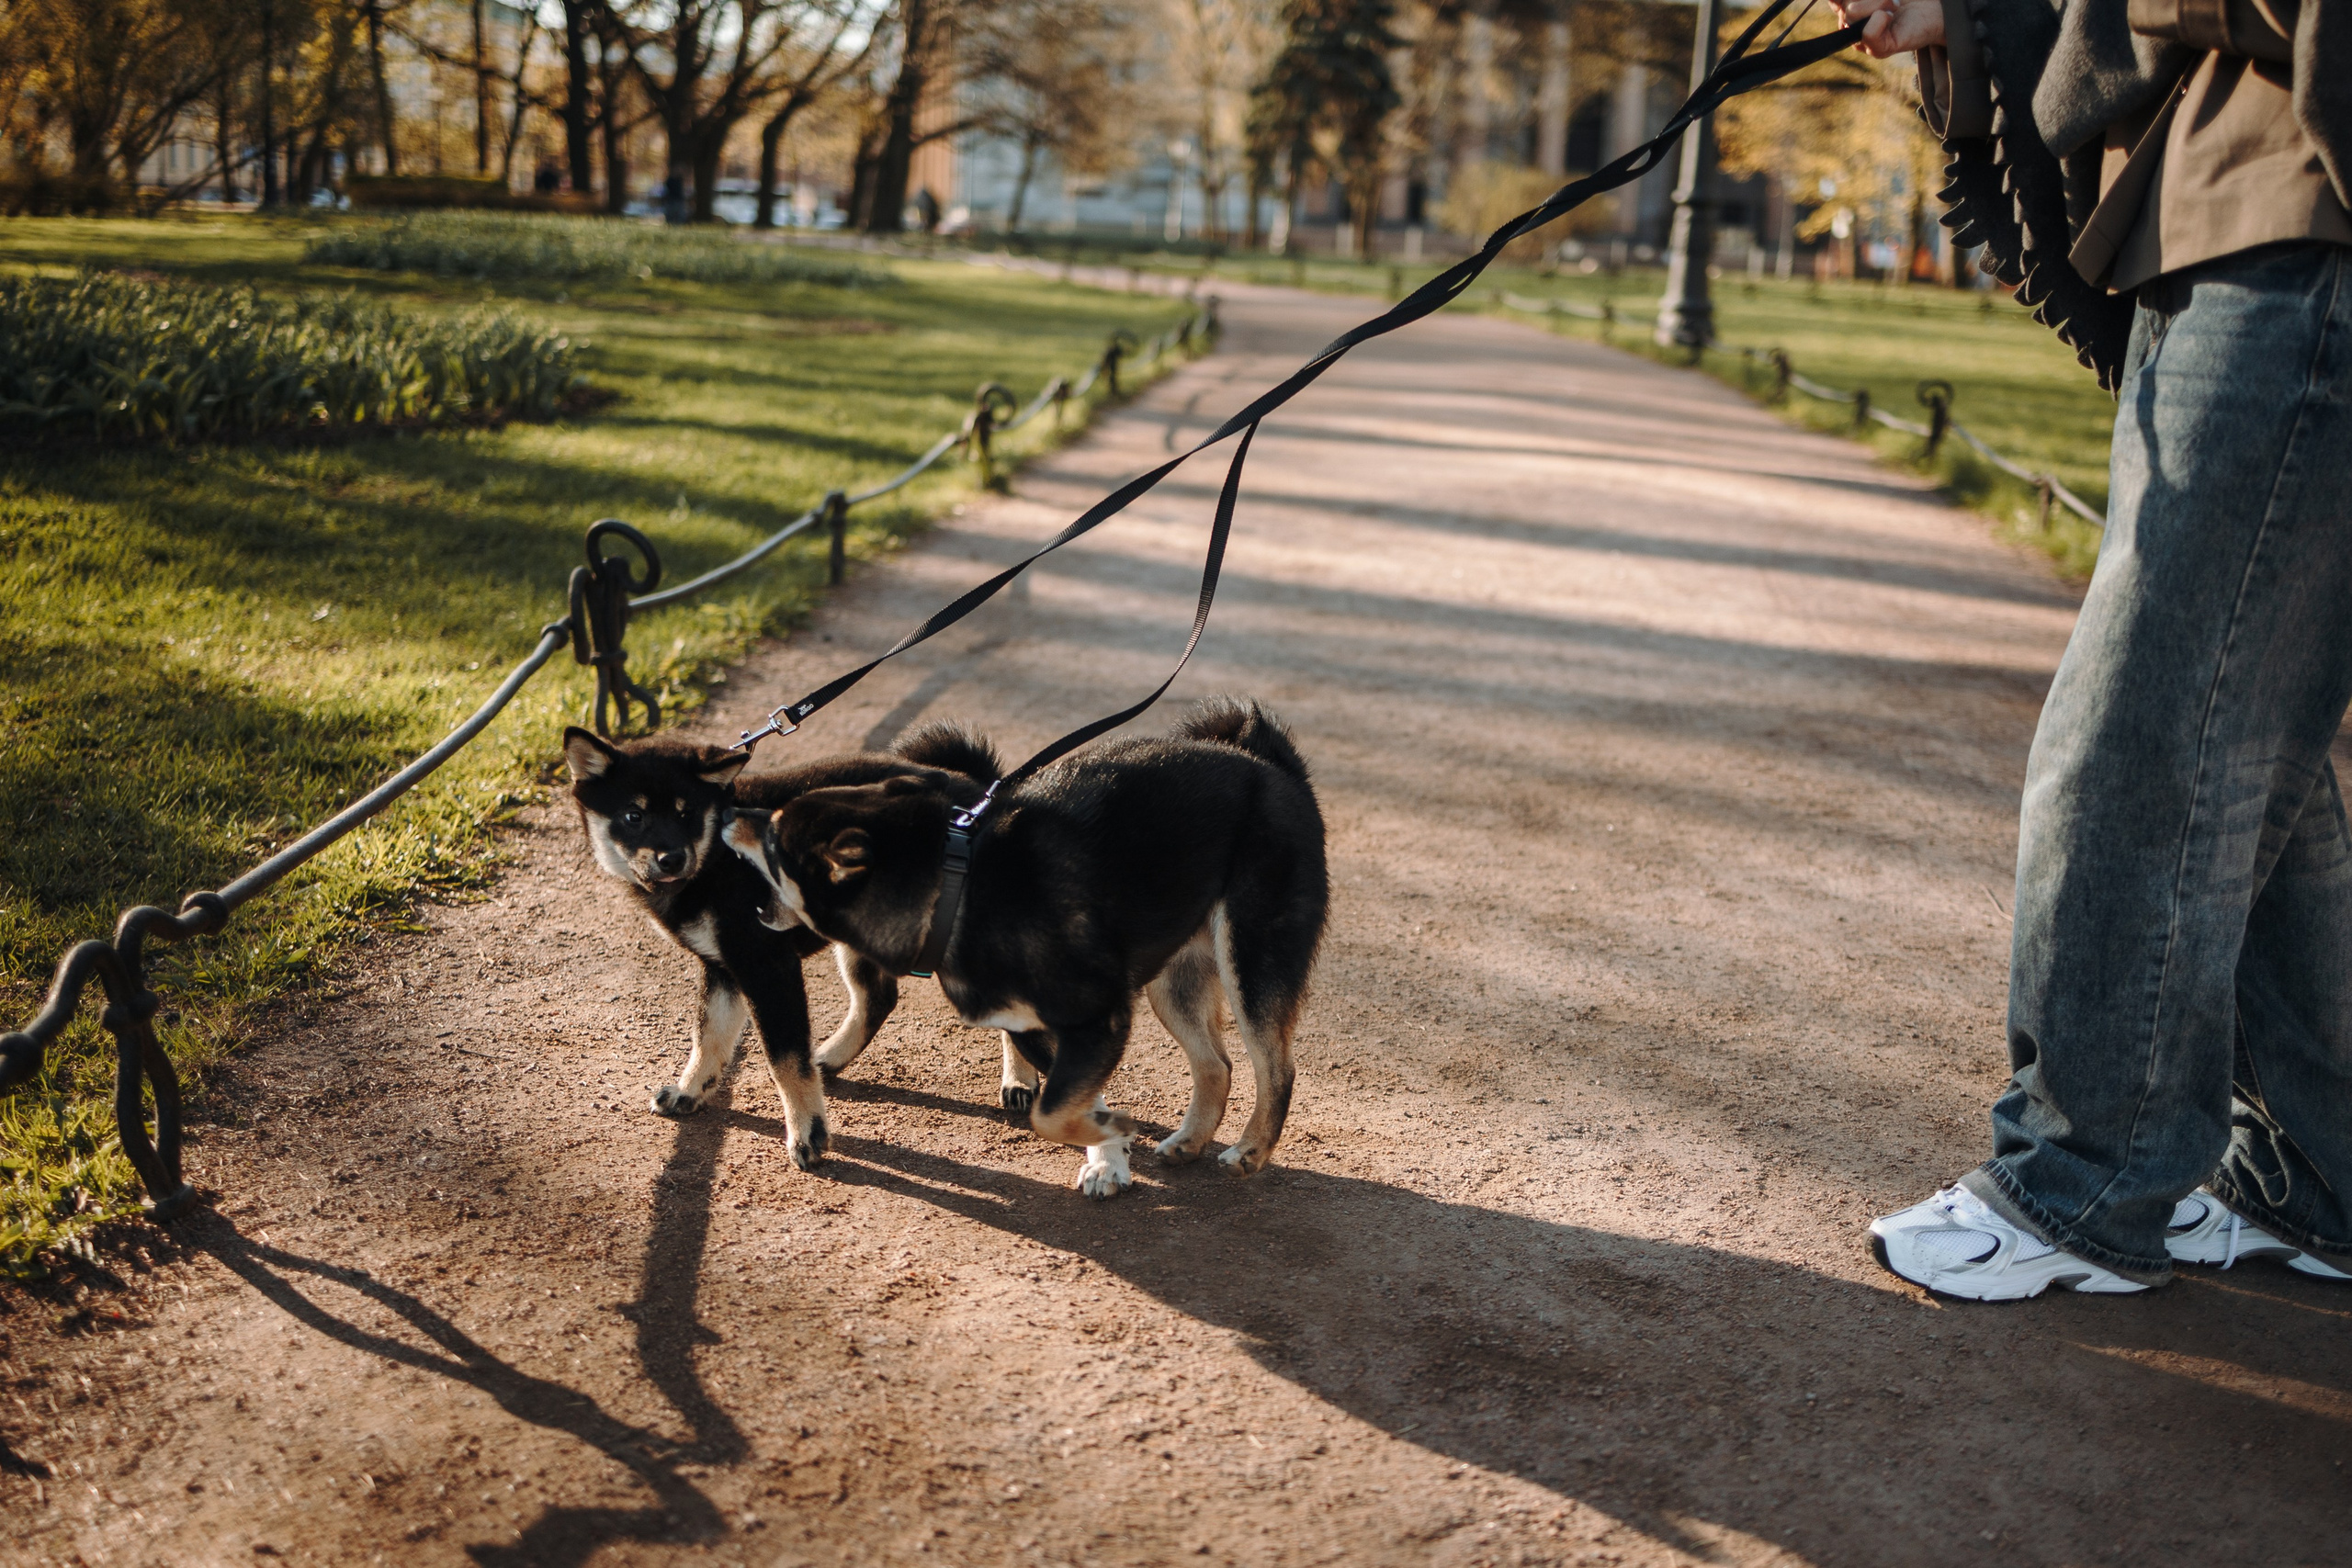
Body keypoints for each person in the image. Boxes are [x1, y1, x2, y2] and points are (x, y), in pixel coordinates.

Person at [1838, 0, 2352, 1299]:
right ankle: (2327, 1174)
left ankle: (2087, 1179)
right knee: (2243, 745)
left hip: (2306, 229)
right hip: (2225, 222)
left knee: (2145, 735)